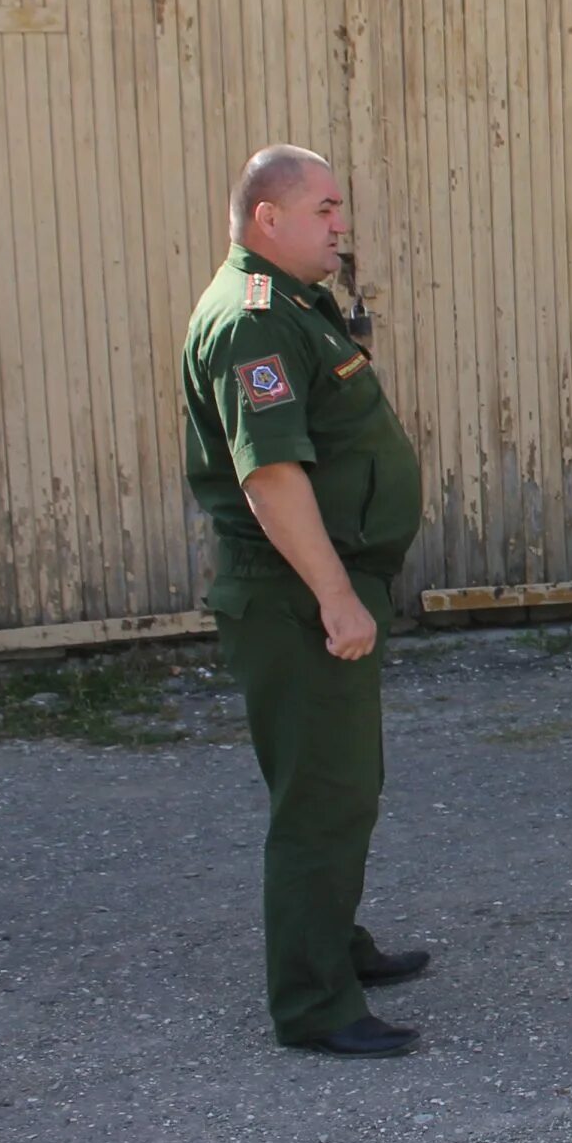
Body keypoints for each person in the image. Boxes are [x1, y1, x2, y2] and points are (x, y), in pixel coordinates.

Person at [181, 147, 430, 1059]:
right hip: (295, 594)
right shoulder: (250, 322)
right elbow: (273, 474)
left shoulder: (291, 305)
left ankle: (336, 945)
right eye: (324, 208)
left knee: (342, 784)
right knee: (320, 798)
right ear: (266, 219)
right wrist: (336, 595)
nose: (341, 225)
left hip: (321, 585)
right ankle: (314, 1002)